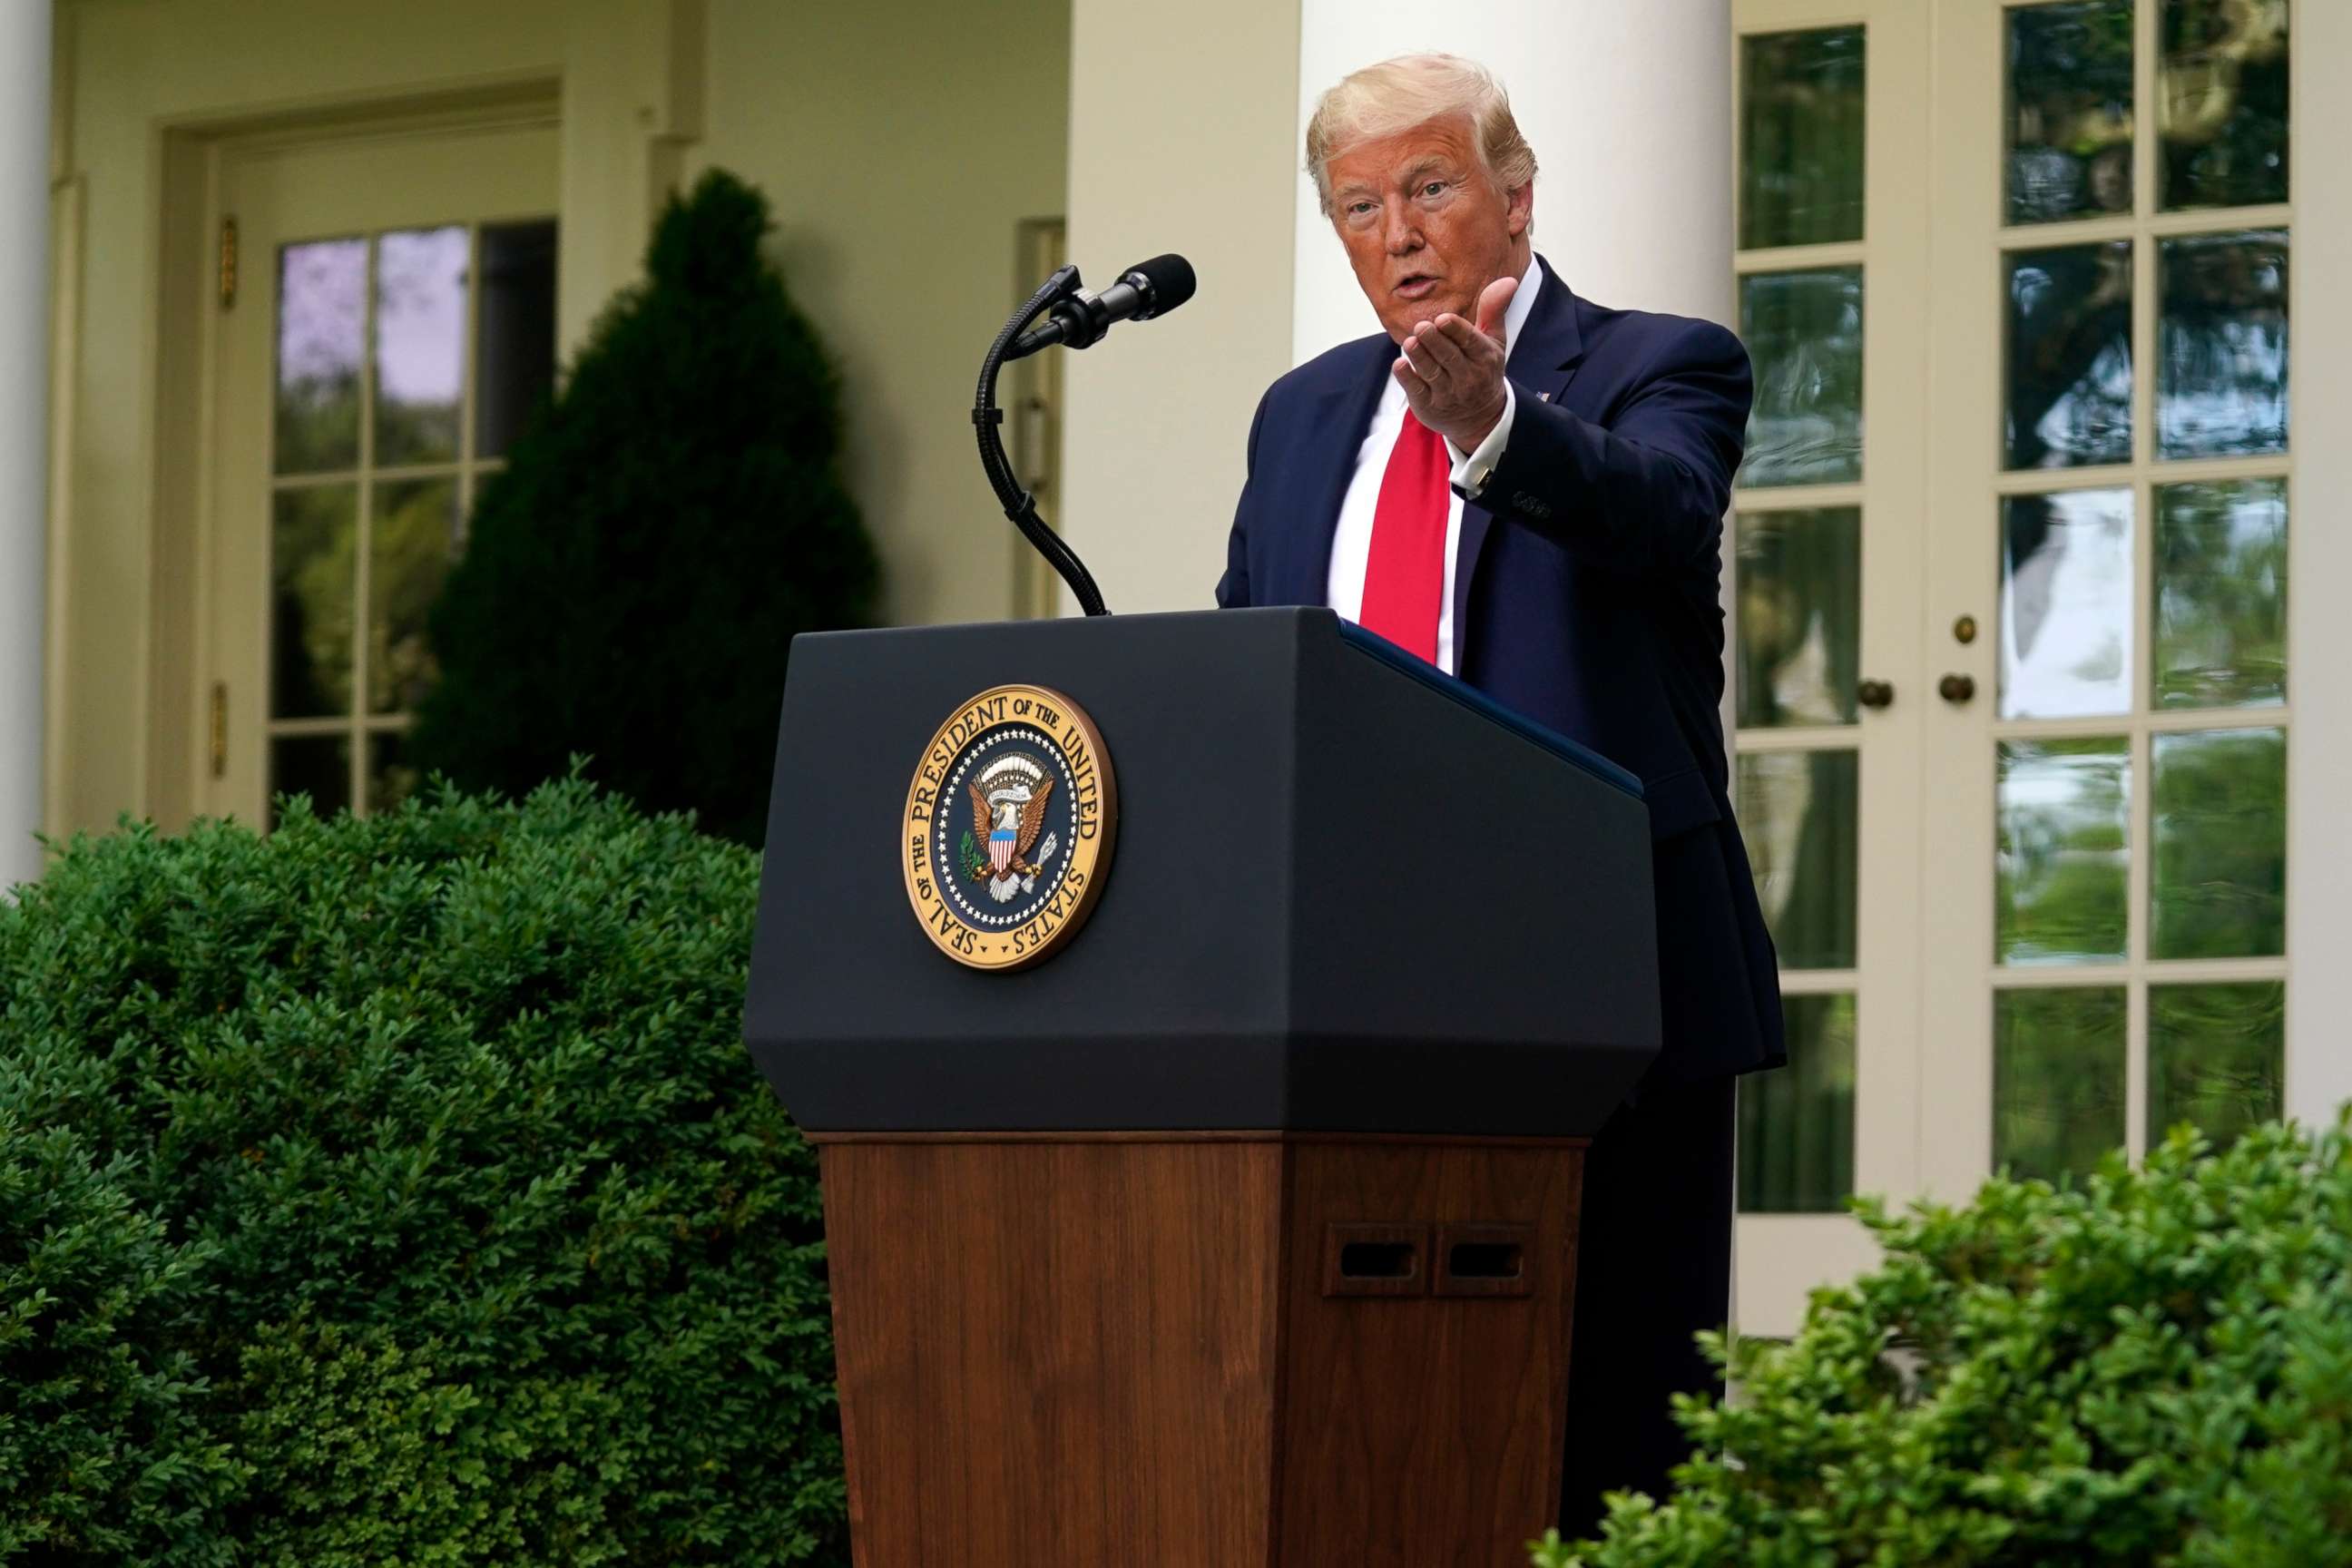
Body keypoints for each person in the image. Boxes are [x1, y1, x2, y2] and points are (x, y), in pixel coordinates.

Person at [1215, 53, 1785, 1534]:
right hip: (1348, 983)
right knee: (1373, 1406)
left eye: (1429, 187)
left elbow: (1657, 511)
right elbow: (1246, 660)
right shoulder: (1298, 416)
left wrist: (1494, 430)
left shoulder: (1663, 361)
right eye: (1358, 206)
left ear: (1515, 200)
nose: (1396, 231)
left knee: (1614, 1424)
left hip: (1601, 970)